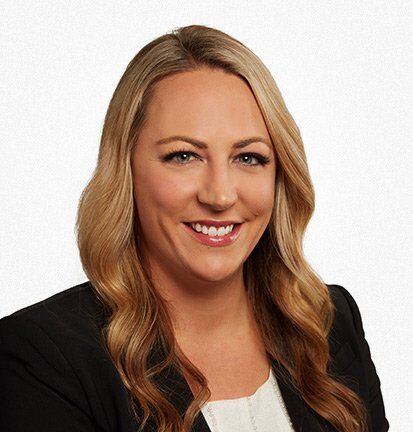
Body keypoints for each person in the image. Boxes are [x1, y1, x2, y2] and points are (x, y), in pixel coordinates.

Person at [0, 24, 389, 432]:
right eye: (184, 156)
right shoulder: (40, 358)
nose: (220, 196)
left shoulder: (328, 323)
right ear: (126, 171)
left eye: (249, 158)